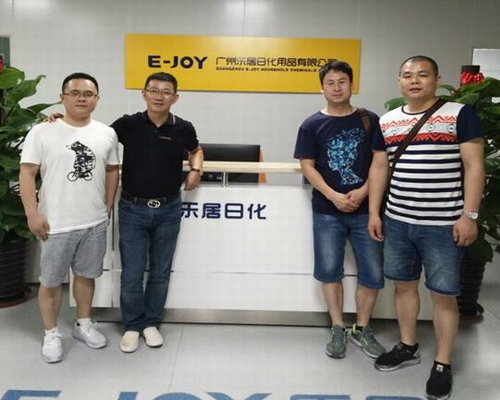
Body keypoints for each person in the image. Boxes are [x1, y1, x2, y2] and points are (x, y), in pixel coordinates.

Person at [368, 55, 484, 400]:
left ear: (436, 79)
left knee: (443, 296)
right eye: (407, 75)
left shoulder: (459, 114)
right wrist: (375, 213)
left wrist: (469, 216)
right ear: (399, 81)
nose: (414, 80)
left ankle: (442, 364)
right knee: (403, 287)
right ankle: (408, 345)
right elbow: (379, 168)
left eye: (422, 75)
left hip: (443, 224)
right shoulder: (388, 121)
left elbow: (474, 166)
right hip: (398, 221)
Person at [19, 72, 120, 363]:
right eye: (74, 93)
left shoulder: (106, 133)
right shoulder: (42, 131)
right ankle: (51, 333)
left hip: (94, 222)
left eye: (88, 94)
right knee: (51, 281)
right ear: (63, 97)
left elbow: (112, 169)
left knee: (87, 276)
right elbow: (27, 172)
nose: (81, 98)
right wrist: (32, 214)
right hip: (56, 223)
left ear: (97, 99)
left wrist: (108, 204)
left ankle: (83, 323)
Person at [293, 60, 386, 360]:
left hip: (365, 210)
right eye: (330, 83)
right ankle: (337, 327)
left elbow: (380, 163)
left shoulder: (369, 120)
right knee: (330, 271)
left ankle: (362, 327)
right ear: (322, 88)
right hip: (327, 211)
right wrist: (334, 196)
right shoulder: (311, 125)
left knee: (371, 272)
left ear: (351, 84)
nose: (336, 88)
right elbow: (307, 166)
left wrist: (362, 192)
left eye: (342, 81)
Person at [111, 72, 203, 353]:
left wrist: (196, 169)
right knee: (132, 272)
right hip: (132, 208)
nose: (159, 96)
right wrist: (60, 122)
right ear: (144, 94)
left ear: (175, 97)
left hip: (168, 209)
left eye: (166, 92)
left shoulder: (183, 127)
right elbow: (94, 138)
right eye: (153, 90)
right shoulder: (128, 124)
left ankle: (151, 323)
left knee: (160, 272)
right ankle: (132, 325)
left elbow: (196, 150)